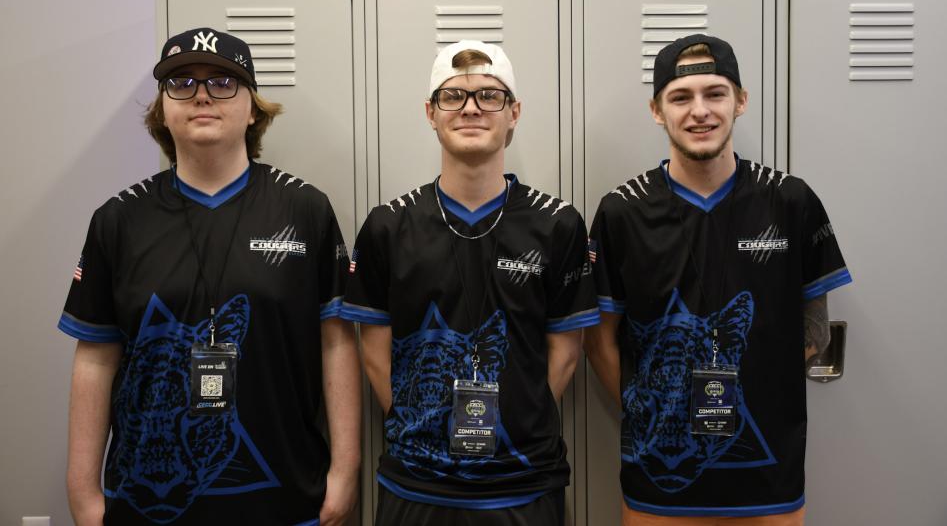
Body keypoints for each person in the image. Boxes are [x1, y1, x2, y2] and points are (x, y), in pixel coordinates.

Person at [59, 27, 360, 525]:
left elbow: (336, 343)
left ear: (253, 108)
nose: (201, 94)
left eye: (223, 82)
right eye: (181, 82)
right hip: (144, 505)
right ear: (162, 109)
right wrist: (84, 494)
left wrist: (344, 473)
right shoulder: (119, 219)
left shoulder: (305, 209)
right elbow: (94, 356)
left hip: (285, 498)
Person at [584, 34, 852, 525]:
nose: (699, 111)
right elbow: (600, 342)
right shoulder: (622, 211)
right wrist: (653, 411)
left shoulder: (791, 202)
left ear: (741, 101)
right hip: (656, 482)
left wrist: (757, 391)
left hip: (768, 475)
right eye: (681, 98)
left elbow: (813, 330)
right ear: (657, 110)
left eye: (716, 93)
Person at [342, 40, 599, 525]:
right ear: (431, 113)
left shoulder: (558, 224)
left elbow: (564, 354)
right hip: (416, 483)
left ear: (514, 112)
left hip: (523, 483)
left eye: (489, 96)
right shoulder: (388, 226)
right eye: (453, 96)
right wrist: (423, 428)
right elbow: (374, 353)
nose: (471, 109)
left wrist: (513, 425)